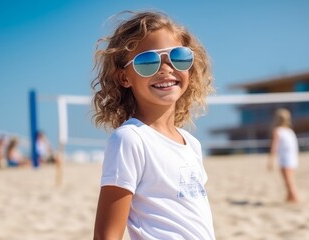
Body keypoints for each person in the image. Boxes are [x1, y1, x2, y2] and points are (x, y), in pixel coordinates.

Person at [92, 10, 216, 240]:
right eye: (147, 61)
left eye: (178, 57)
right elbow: (106, 234)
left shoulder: (192, 144)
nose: (166, 69)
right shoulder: (130, 140)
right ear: (124, 78)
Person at [268, 108, 300, 203]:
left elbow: (274, 147)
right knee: (289, 180)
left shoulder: (277, 131)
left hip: (286, 159)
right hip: (293, 158)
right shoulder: (290, 131)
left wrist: (271, 161)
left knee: (289, 182)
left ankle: (295, 199)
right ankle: (289, 199)